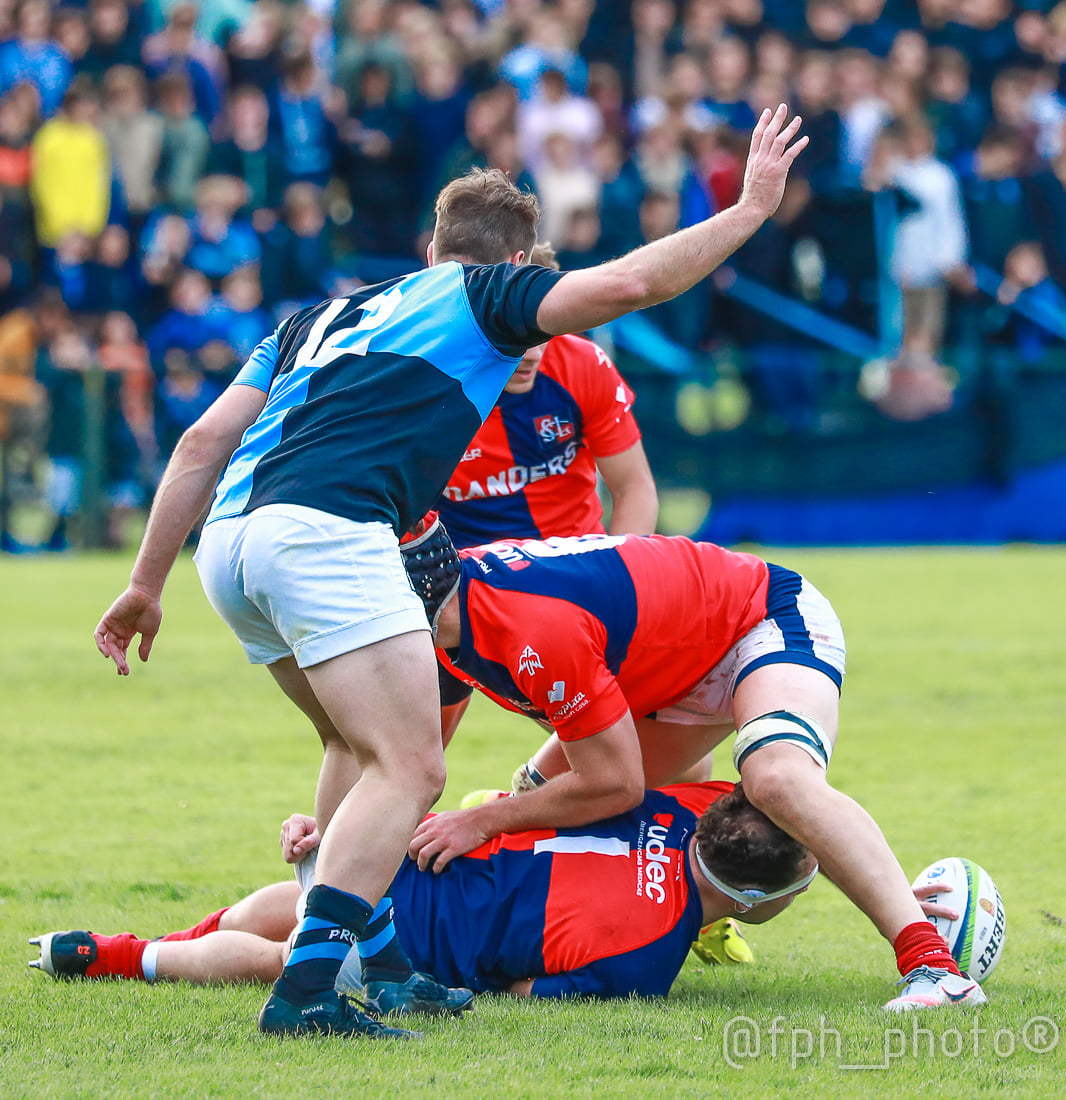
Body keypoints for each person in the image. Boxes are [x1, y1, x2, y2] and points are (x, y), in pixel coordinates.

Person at [93, 105, 809, 1040]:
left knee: (353, 751)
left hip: (228, 545)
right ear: (518, 264)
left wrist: (147, 582)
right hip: (327, 537)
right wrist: (750, 209)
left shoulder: (321, 313)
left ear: (430, 242)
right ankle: (307, 992)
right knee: (412, 769)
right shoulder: (487, 298)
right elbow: (632, 280)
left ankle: (387, 967)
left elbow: (200, 440)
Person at [397, 518, 987, 1012]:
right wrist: (351, 834)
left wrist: (480, 823)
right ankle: (690, 907)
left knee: (775, 777)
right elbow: (406, 766)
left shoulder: (527, 630)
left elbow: (616, 784)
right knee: (536, 796)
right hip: (669, 670)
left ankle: (933, 966)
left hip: (758, 620)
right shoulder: (454, 624)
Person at [30, 782, 821, 1000]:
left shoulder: (691, 800)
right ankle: (116, 957)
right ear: (751, 902)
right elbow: (523, 989)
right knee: (278, 960)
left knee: (299, 898)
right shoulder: (646, 964)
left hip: (405, 842)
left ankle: (178, 932)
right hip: (425, 941)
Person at [437, 243, 658, 551]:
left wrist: (623, 576)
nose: (532, 355)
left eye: (542, 332)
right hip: (472, 579)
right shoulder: (433, 384)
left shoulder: (583, 365)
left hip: (575, 567)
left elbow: (634, 488)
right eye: (515, 334)